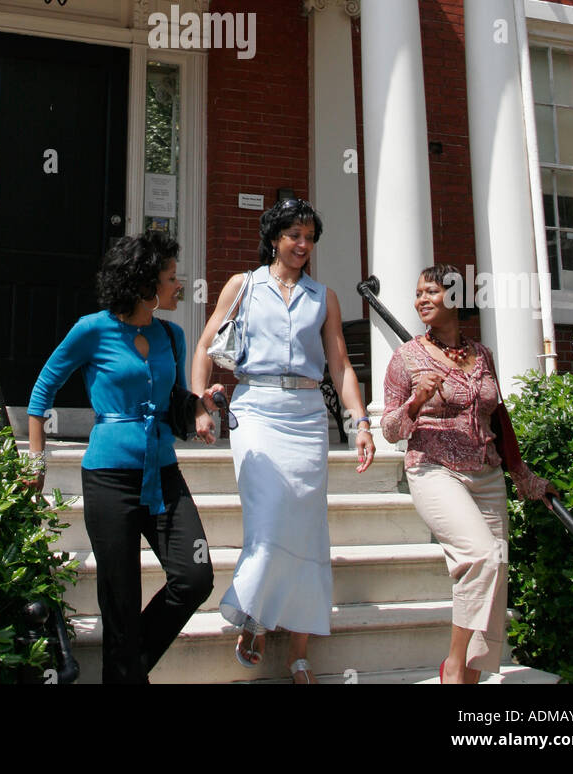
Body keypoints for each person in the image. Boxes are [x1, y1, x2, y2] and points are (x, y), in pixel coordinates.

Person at [192, 197, 374, 684]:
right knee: (269, 519)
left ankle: (299, 649)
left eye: (310, 236)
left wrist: (360, 422)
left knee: (309, 527)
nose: (303, 244)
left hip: (308, 415)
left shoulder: (324, 297)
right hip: (255, 408)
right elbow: (205, 346)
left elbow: (339, 366)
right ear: (274, 238)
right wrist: (199, 404)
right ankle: (252, 613)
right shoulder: (243, 286)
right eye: (294, 234)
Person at [27, 230, 217, 685]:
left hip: (163, 475)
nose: (180, 285)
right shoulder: (92, 329)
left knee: (195, 577)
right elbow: (41, 392)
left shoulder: (172, 334)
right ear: (145, 284)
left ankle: (124, 672)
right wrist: (36, 462)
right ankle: (127, 674)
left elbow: (173, 400)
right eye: (171, 278)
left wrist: (200, 405)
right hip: (109, 478)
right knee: (120, 600)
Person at [381, 263, 555, 685]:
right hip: (434, 469)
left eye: (432, 292)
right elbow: (389, 430)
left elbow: (500, 418)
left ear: (456, 298)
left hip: (487, 474)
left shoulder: (483, 354)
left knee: (494, 575)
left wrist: (520, 473)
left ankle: (472, 676)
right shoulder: (407, 358)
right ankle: (455, 668)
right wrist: (416, 402)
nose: (421, 299)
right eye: (418, 292)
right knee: (480, 556)